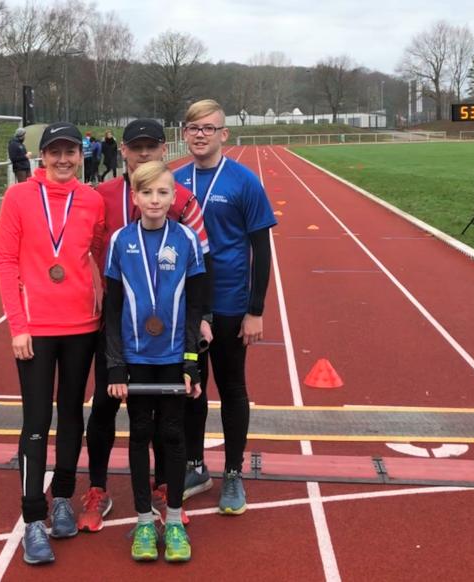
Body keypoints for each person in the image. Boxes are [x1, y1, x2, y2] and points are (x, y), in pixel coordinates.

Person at [78, 118, 211, 533]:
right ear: (124, 151)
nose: (143, 154)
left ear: (164, 150)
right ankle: (97, 488)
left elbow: (198, 270)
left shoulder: (182, 199)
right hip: (120, 325)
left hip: (170, 332)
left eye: (151, 146)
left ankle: (164, 489)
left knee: (168, 417)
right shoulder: (101, 196)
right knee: (105, 406)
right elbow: (87, 249)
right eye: (136, 147)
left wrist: (202, 322)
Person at [0, 122, 106, 565]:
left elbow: (99, 252)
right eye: (55, 152)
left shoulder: (92, 200)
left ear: (81, 155)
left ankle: (62, 497)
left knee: (72, 414)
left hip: (82, 325)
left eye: (70, 151)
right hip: (36, 328)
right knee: (37, 420)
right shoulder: (18, 197)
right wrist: (17, 325)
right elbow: (6, 262)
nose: (63, 159)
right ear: (42, 156)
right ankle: (33, 518)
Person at [173, 99, 276, 514]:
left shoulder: (244, 181)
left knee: (232, 387)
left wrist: (256, 310)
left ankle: (233, 473)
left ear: (224, 134)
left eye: (209, 128)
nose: (201, 135)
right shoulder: (174, 181)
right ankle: (195, 466)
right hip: (188, 307)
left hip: (231, 303)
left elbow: (261, 249)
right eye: (193, 127)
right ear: (185, 133)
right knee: (190, 386)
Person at [105, 160, 205, 562]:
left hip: (173, 356)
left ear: (173, 197)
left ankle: (175, 520)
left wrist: (192, 360)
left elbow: (195, 305)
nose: (155, 200)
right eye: (146, 192)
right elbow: (112, 308)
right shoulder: (120, 241)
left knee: (173, 434)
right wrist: (115, 364)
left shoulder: (186, 239)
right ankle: (145, 520)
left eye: (163, 192)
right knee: (140, 433)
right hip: (136, 357)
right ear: (135, 196)